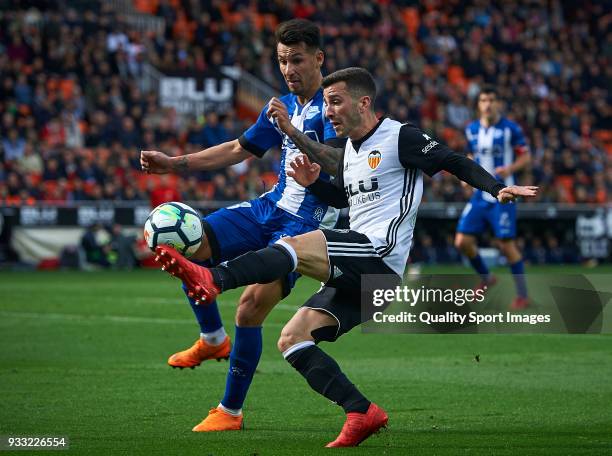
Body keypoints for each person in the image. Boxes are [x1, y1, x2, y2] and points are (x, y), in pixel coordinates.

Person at [154, 67, 537, 447]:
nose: (329, 111)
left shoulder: (399, 136)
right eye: (326, 103)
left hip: (379, 260)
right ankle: (361, 411)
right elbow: (346, 199)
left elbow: (453, 160)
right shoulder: (348, 151)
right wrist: (314, 183)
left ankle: (215, 279)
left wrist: (497, 188)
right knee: (292, 339)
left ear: (363, 102)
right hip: (363, 271)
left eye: (336, 102)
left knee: (296, 246)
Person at [140, 19, 345, 431]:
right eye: (283, 60)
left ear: (319, 59)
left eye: (297, 59)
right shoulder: (283, 106)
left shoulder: (335, 108)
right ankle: (213, 340)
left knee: (250, 307)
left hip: (304, 227)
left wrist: (310, 163)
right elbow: (238, 148)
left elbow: (343, 172)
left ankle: (229, 412)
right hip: (267, 208)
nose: (289, 68)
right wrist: (176, 163)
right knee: (188, 243)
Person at [453, 86, 532, 310]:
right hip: (480, 195)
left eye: (491, 99)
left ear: (498, 103)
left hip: (504, 195)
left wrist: (510, 168)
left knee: (506, 245)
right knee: (462, 242)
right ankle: (487, 278)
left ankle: (522, 296)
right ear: (478, 104)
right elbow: (470, 154)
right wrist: (465, 176)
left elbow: (526, 156)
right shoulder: (472, 129)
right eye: (483, 100)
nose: (487, 104)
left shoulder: (510, 129)